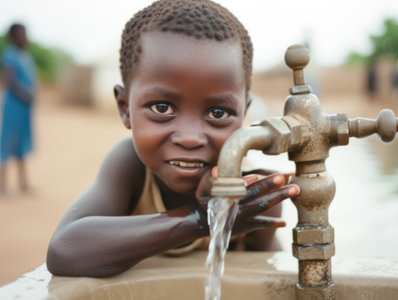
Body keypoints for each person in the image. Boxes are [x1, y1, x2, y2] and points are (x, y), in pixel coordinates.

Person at [46, 0, 300, 278]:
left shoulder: (248, 190)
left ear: (244, 114)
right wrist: (200, 220)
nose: (190, 138)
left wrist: (248, 214)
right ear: (125, 108)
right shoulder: (130, 166)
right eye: (162, 108)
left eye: (218, 112)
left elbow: (265, 279)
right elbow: (65, 251)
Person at [0, 23, 36, 194]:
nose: (25, 37)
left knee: (22, 144)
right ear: (13, 37)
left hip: (24, 108)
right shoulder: (10, 56)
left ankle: (23, 183)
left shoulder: (26, 56)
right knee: (7, 143)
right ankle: (2, 185)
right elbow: (10, 81)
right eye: (22, 34)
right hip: (13, 107)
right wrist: (26, 95)